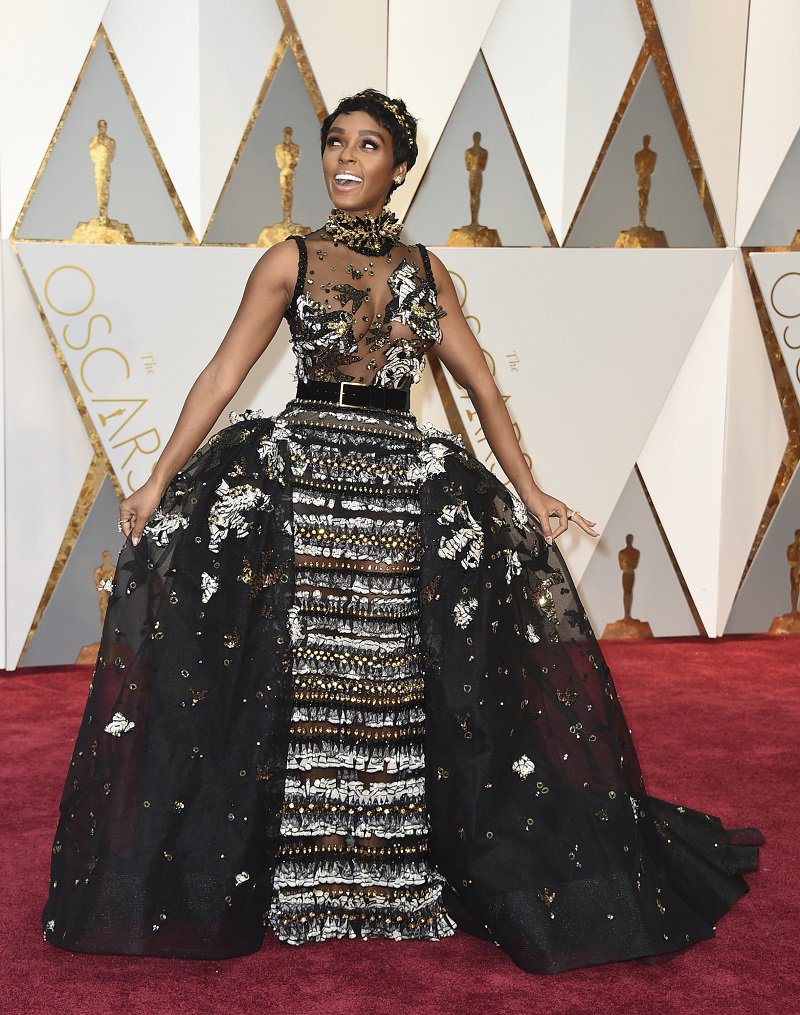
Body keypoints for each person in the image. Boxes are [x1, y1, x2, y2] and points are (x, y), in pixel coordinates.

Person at [42, 89, 761, 974]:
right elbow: (222, 374)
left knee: (388, 679)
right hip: (303, 481)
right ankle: (301, 879)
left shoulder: (426, 270)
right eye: (335, 142)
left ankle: (386, 876)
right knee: (307, 674)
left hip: (397, 491)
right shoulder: (289, 260)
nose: (345, 157)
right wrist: (156, 477)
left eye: (368, 144)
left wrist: (530, 490)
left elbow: (485, 388)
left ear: (398, 166)